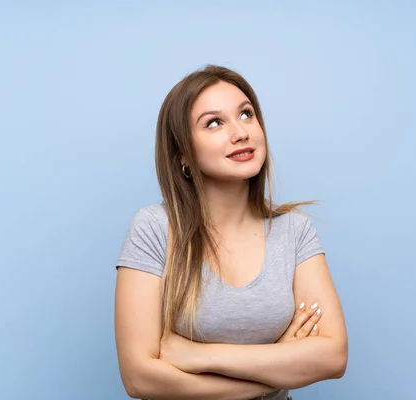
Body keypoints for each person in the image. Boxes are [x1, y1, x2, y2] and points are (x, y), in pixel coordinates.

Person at [114, 65, 348, 400]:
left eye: (246, 114)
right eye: (214, 122)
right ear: (182, 154)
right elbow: (140, 378)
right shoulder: (154, 229)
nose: (241, 132)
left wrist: (199, 355)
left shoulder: (294, 230)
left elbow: (333, 356)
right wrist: (277, 368)